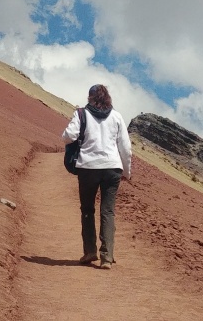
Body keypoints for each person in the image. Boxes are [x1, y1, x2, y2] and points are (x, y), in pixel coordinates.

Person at [62, 84, 132, 269]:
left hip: (88, 167)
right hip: (112, 168)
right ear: (107, 98)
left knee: (87, 209)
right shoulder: (116, 116)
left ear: (90, 97)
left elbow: (69, 135)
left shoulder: (81, 114)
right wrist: (127, 171)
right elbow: (125, 147)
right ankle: (107, 257)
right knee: (108, 211)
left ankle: (90, 251)